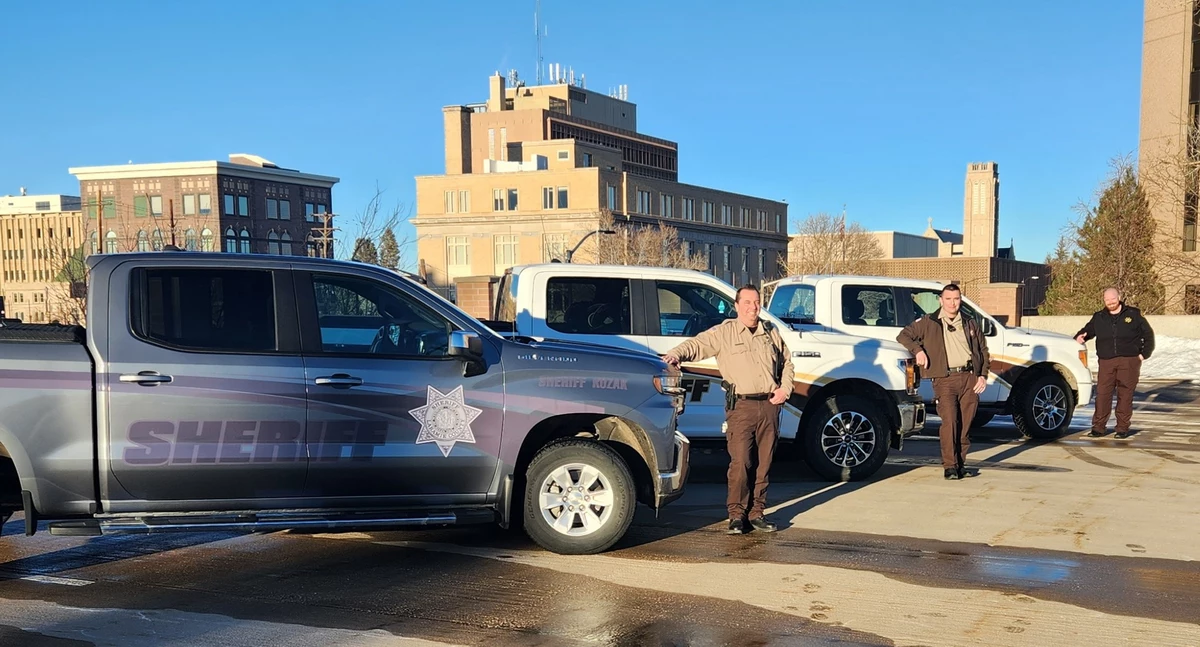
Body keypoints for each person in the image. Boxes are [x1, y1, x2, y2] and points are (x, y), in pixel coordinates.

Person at [662, 284, 793, 534]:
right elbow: (696, 345)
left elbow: (787, 363)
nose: (753, 307)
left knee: (764, 464)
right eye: (747, 302)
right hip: (741, 407)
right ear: (736, 305)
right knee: (741, 462)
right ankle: (736, 514)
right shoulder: (726, 333)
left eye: (756, 302)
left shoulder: (770, 331)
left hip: (769, 405)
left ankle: (757, 513)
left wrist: (784, 389)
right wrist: (675, 355)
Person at [896, 284, 990, 480]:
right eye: (948, 299)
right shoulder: (929, 322)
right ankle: (950, 466)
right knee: (950, 422)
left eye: (956, 299)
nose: (952, 303)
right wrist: (918, 350)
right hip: (944, 379)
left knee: (965, 425)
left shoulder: (970, 322)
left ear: (960, 300)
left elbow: (982, 351)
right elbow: (903, 335)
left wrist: (982, 375)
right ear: (941, 300)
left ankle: (961, 464)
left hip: (969, 378)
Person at [1074, 287, 1155, 439]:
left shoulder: (1133, 314)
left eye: (1113, 299)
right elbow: (1088, 330)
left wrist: (1143, 355)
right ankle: (1098, 427)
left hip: (1129, 361)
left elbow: (1148, 335)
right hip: (1106, 361)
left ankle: (1122, 428)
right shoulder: (1099, 317)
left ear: (1119, 297)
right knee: (1103, 394)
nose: (1110, 302)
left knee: (1125, 395)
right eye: (1107, 300)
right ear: (1104, 301)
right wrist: (1081, 336)